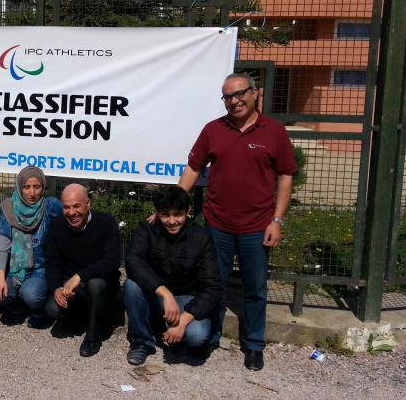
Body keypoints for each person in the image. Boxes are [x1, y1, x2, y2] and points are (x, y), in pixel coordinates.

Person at [179, 73, 297, 371]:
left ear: (255, 93)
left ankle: (254, 345)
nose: (235, 101)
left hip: (257, 227)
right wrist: (174, 204)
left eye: (240, 93)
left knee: (255, 288)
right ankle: (211, 337)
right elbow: (194, 168)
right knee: (213, 284)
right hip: (217, 225)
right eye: (228, 96)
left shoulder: (274, 131)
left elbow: (285, 176)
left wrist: (277, 220)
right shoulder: (213, 130)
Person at [124, 185, 222, 366]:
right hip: (158, 294)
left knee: (197, 336)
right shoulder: (147, 229)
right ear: (157, 213)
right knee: (131, 285)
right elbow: (133, 261)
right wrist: (164, 292)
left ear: (188, 211)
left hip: (187, 298)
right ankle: (141, 342)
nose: (171, 221)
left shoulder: (201, 237)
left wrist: (184, 320)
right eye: (165, 214)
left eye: (177, 214)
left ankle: (173, 331)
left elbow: (212, 287)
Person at [44, 184, 121, 357]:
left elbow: (112, 260)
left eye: (77, 206)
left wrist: (80, 276)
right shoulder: (57, 226)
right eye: (66, 207)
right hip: (72, 285)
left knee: (95, 284)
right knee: (52, 309)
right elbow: (52, 263)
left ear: (88, 204)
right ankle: (84, 319)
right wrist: (56, 287)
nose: (72, 213)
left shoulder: (106, 222)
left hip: (102, 283)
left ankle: (93, 338)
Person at [0, 166, 62, 328]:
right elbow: (3, 246)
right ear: (20, 187)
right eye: (26, 187)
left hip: (40, 270)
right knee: (1, 294)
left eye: (36, 187)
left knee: (31, 294)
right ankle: (16, 310)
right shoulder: (8, 208)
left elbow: (70, 220)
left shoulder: (51, 207)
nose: (31, 193)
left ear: (43, 188)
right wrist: (0, 277)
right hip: (14, 270)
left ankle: (39, 313)